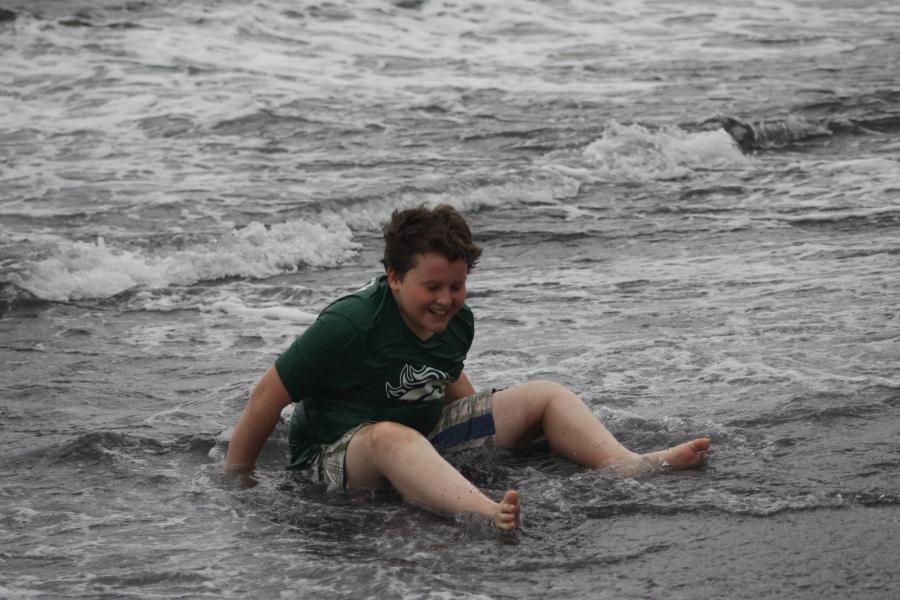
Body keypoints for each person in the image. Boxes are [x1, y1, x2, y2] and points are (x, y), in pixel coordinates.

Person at [225, 205, 710, 531]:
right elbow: (267, 397)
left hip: (420, 438)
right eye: (432, 287)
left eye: (456, 286)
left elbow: (444, 374)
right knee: (391, 435)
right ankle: (484, 511)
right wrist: (238, 481)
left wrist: (486, 431)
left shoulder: (457, 322)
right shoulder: (349, 324)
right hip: (332, 456)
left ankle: (626, 464)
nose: (446, 299)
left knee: (545, 393)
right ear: (394, 277)